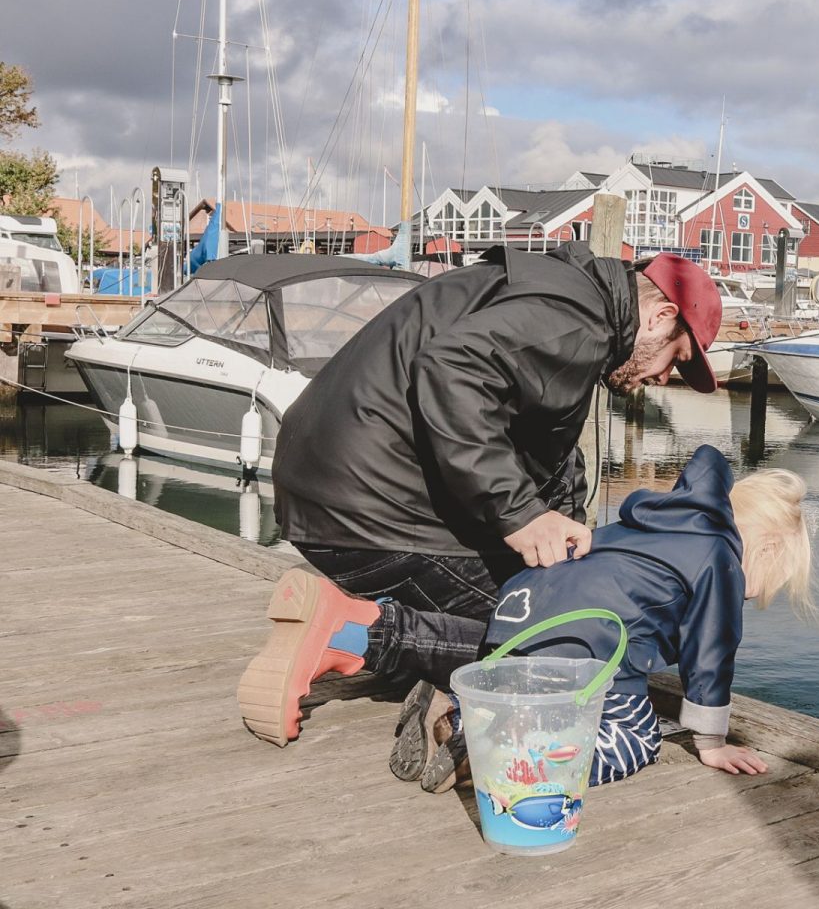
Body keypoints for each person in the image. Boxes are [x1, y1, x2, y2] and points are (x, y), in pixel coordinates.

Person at [238, 245, 723, 746]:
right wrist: (519, 516)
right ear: (660, 315)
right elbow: (452, 371)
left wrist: (569, 543)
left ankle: (422, 664)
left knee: (548, 598)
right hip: (367, 503)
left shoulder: (561, 295)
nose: (664, 377)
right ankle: (349, 633)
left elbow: (548, 455)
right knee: (563, 640)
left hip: (327, 487)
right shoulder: (577, 320)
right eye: (675, 356)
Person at [243, 445, 814, 793]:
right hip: (587, 647)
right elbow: (710, 655)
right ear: (761, 550)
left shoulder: (648, 524)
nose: (751, 596)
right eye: (768, 583)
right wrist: (710, 741)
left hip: (521, 612)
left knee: (500, 662)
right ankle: (496, 749)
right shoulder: (719, 557)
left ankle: (359, 632)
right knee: (637, 739)